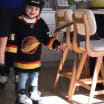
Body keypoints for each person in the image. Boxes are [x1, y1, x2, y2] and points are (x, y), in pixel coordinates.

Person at [8, 0, 61, 104]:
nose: (33, 11)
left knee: (34, 76)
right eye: (30, 8)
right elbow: (12, 39)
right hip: (21, 60)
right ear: (24, 7)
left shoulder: (40, 22)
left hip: (35, 60)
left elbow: (47, 35)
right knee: (22, 77)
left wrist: (54, 43)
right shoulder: (17, 22)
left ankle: (34, 92)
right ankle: (21, 95)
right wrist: (11, 53)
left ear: (40, 10)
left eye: (36, 9)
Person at [0, 0, 25, 70]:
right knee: (2, 42)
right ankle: (2, 71)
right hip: (2, 9)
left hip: (21, 9)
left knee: (20, 40)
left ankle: (18, 71)